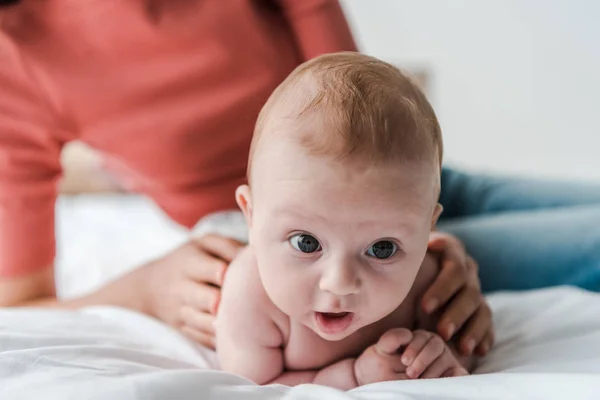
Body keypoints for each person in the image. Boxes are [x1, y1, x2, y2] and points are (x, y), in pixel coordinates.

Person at [0, 0, 491, 355]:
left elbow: (357, 88)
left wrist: (407, 239)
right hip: (317, 241)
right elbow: (18, 308)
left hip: (403, 198)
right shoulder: (15, 55)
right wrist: (147, 289)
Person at [217, 53, 475, 389]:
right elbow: (254, 388)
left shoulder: (428, 284)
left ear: (428, 230)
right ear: (250, 217)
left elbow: (466, 349)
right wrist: (352, 376)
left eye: (382, 249)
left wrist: (441, 354)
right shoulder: (251, 295)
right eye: (305, 243)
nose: (339, 282)